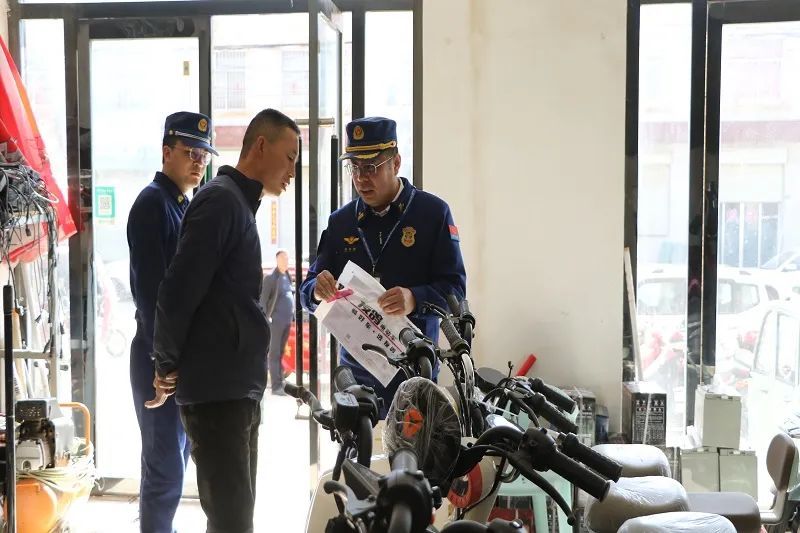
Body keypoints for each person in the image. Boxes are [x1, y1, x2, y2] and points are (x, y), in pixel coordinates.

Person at [146, 108, 300, 533]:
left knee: (235, 519)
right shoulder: (220, 201)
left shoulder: (238, 203)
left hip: (236, 389)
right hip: (218, 393)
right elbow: (177, 290)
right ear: (261, 145)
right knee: (232, 521)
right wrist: (165, 364)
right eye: (290, 157)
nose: (292, 171)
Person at [300, 117, 466, 413]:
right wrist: (317, 289)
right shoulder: (341, 221)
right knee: (355, 443)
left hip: (414, 373)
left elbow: (454, 289)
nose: (361, 178)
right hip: (355, 378)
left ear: (396, 163)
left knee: (413, 444)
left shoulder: (432, 214)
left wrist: (414, 298)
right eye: (354, 168)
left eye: (371, 168)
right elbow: (307, 290)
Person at [127, 111, 216, 533]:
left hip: (173, 357)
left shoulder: (180, 205)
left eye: (204, 155)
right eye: (189, 153)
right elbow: (151, 295)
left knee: (174, 462)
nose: (198, 162)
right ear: (166, 152)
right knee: (163, 470)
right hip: (155, 356)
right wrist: (161, 363)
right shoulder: (152, 204)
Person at [260, 249, 295, 396]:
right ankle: (275, 387)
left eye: (287, 259)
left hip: (286, 322)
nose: (286, 262)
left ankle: (280, 383)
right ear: (277, 260)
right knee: (274, 354)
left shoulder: (287, 276)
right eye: (283, 259)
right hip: (275, 323)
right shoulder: (271, 278)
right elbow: (263, 301)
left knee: (280, 353)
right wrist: (266, 320)